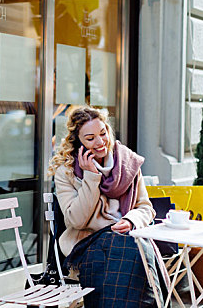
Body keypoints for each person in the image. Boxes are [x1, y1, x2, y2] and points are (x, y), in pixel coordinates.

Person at [48, 106, 166, 307]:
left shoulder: (128, 163)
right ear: (79, 142)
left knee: (130, 246)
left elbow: (145, 207)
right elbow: (76, 221)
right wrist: (91, 177)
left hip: (127, 236)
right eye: (90, 138)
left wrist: (130, 220)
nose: (100, 142)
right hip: (87, 242)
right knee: (131, 250)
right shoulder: (66, 171)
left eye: (103, 133)